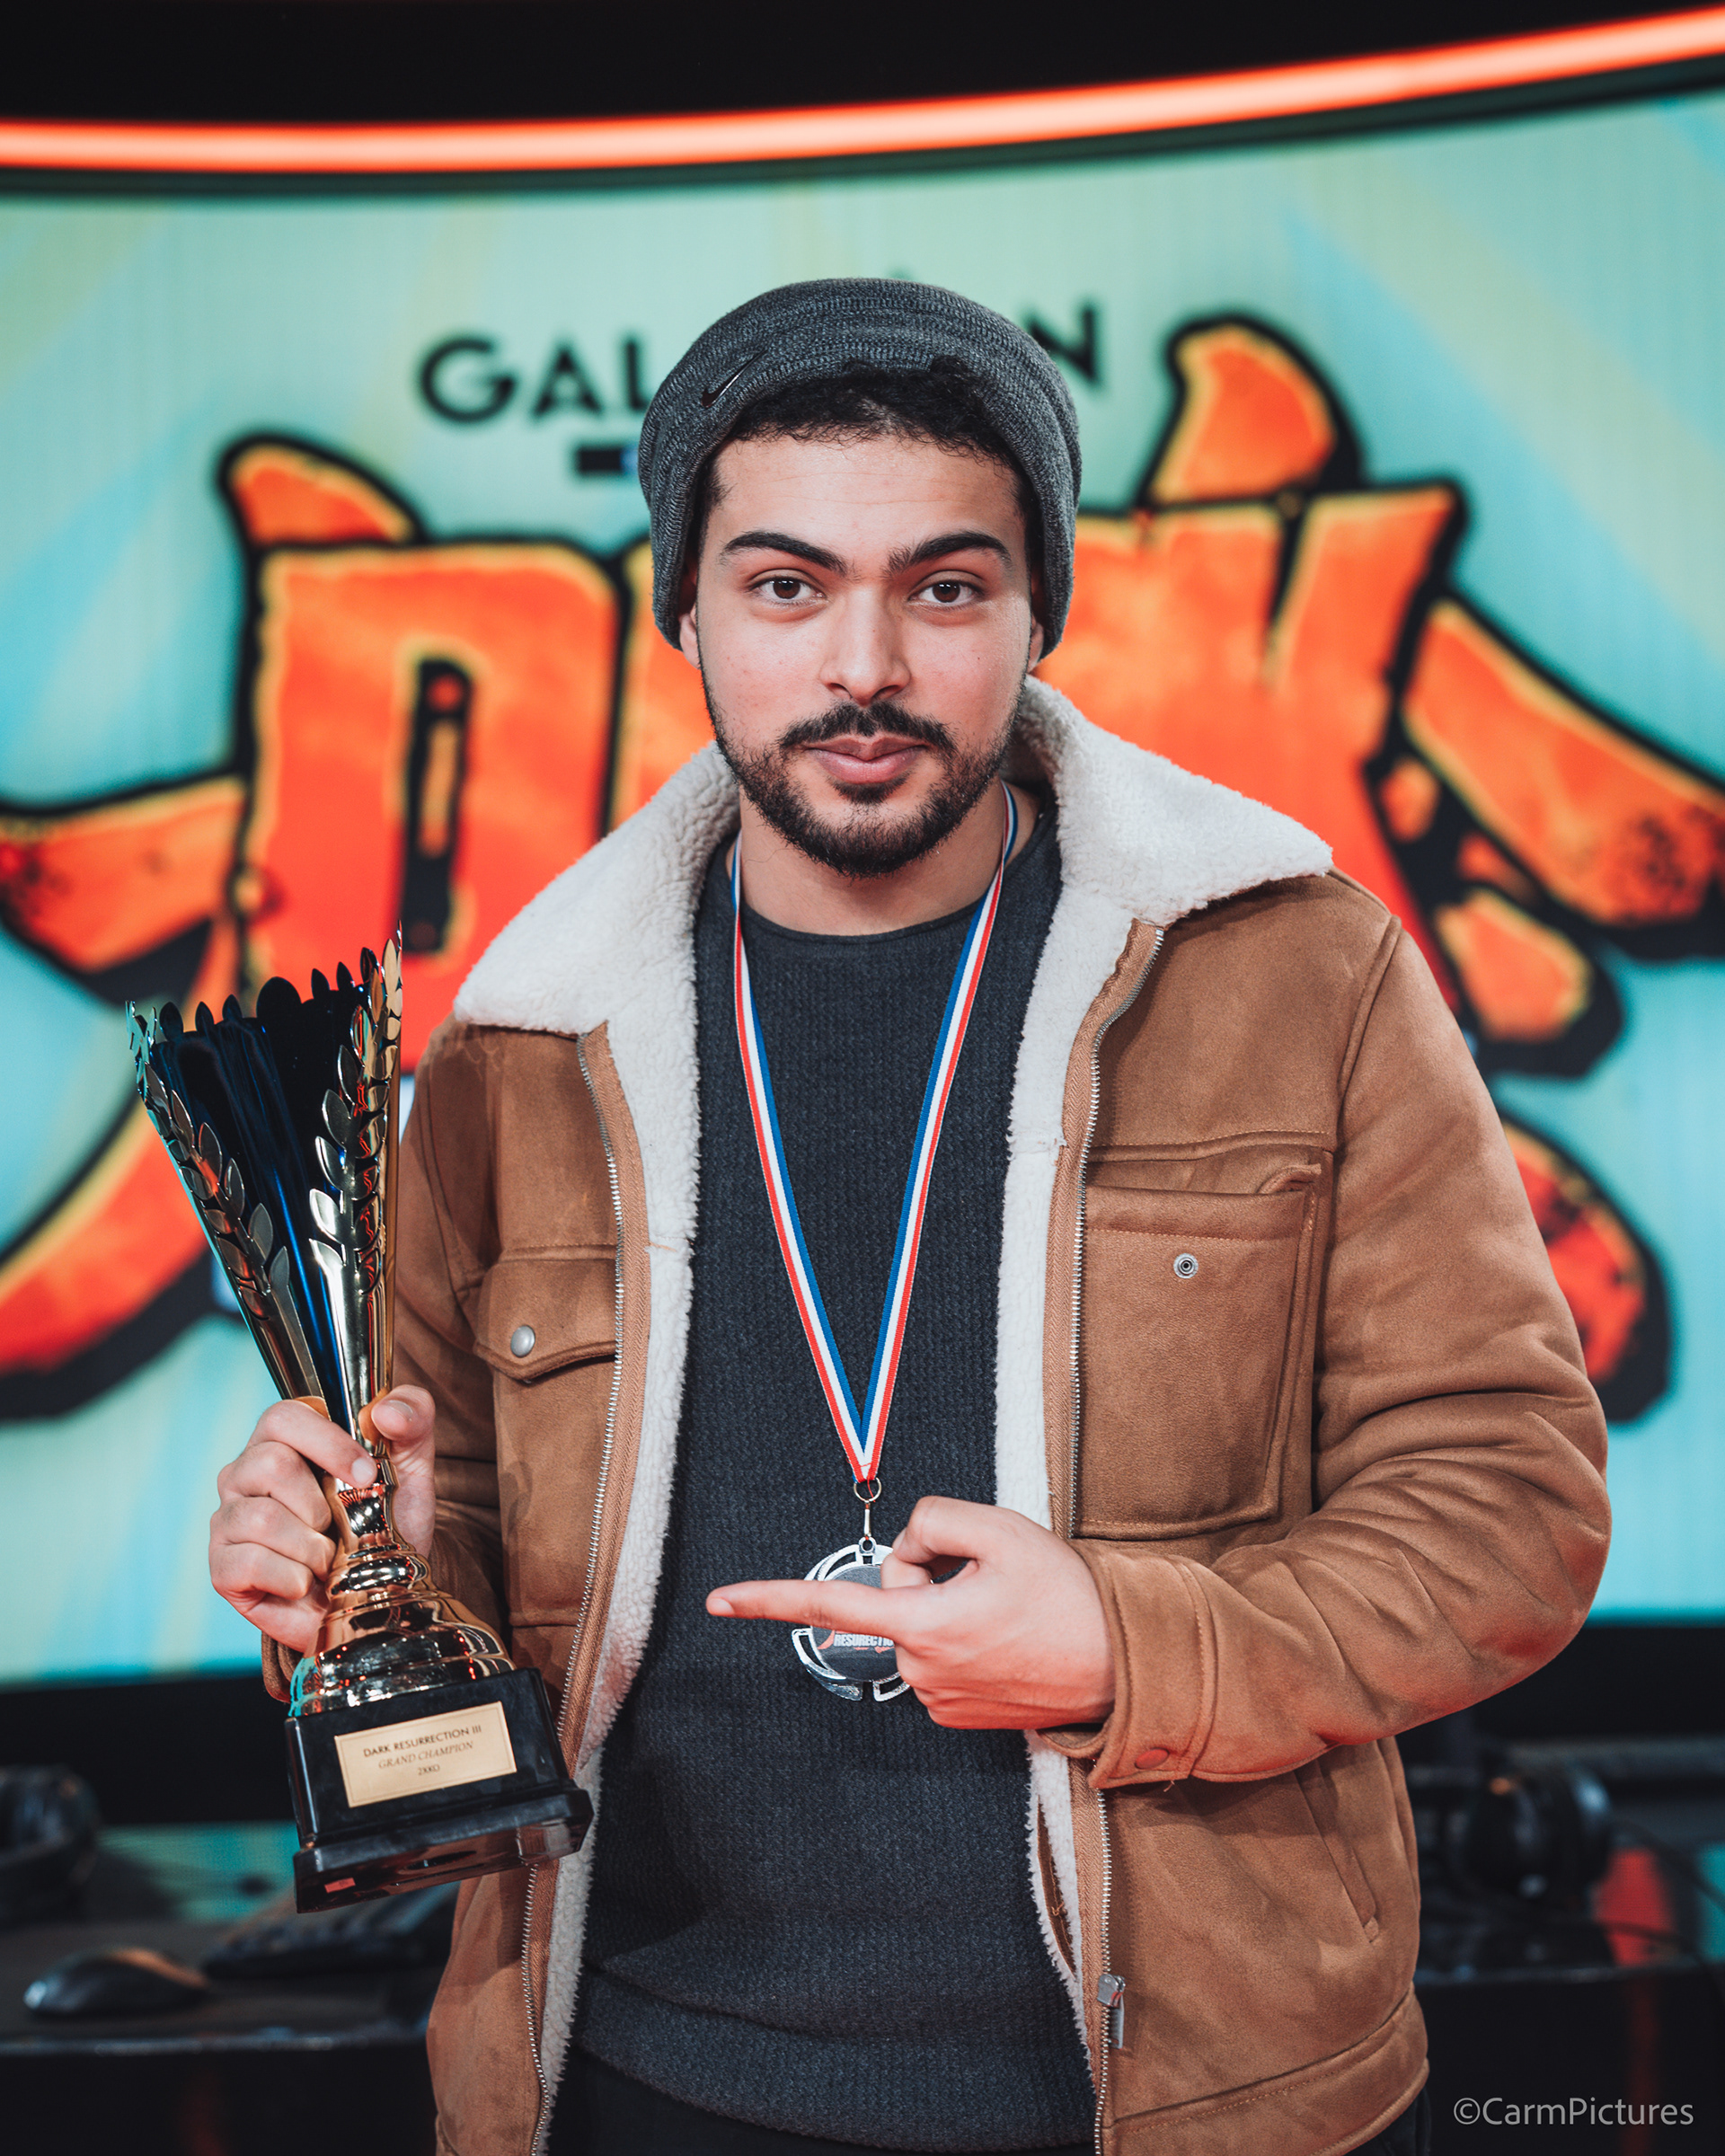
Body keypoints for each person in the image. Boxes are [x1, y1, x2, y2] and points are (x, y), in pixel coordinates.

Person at [208, 279, 1610, 2156]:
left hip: (1195, 2094)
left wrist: (1128, 1649)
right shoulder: (517, 1054)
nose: (863, 664)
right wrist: (339, 1581)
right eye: (786, 586)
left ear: (1041, 612)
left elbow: (1511, 1508)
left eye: (946, 588)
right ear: (685, 614)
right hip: (632, 2083)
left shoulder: (1298, 976)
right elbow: (463, 1565)